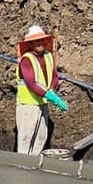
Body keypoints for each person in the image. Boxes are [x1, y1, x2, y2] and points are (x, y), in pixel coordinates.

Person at [15, 25, 68, 154]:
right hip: (28, 105)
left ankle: (34, 163)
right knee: (26, 138)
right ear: (30, 44)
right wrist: (50, 96)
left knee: (41, 137)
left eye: (41, 40)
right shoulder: (27, 60)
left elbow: (54, 76)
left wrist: (51, 90)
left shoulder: (48, 56)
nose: (40, 43)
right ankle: (23, 163)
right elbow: (31, 83)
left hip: (42, 103)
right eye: (36, 41)